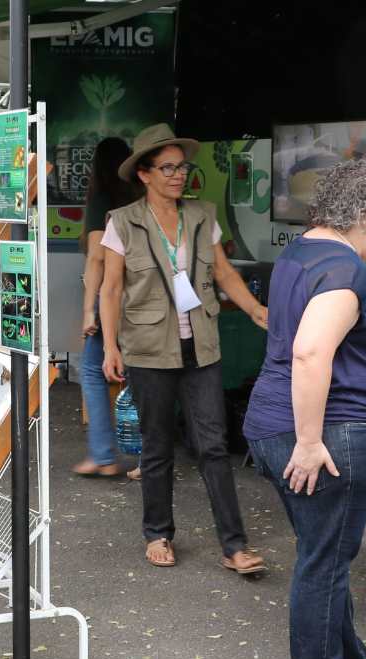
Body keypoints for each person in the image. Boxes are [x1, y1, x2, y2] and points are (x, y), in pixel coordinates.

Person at [242, 158, 366, 659]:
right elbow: (312, 352)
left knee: (325, 548)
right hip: (324, 433)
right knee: (326, 559)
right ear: (364, 213)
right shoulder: (345, 270)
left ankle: (349, 657)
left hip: (273, 422)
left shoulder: (299, 251)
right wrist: (310, 443)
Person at [99, 123, 268, 574]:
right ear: (145, 174)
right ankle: (158, 533)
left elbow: (226, 273)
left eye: (182, 167)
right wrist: (109, 345)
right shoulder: (123, 222)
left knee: (212, 445)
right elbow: (111, 288)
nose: (178, 175)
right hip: (148, 346)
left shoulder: (201, 215)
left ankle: (234, 546)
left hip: (201, 346)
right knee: (156, 447)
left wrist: (256, 311)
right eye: (168, 168)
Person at [75, 137, 141, 479]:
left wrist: (89, 310)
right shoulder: (139, 197)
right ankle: (149, 458)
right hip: (144, 297)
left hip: (112, 297)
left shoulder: (102, 198)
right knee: (144, 372)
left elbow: (98, 258)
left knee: (92, 370)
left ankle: (103, 455)